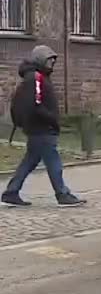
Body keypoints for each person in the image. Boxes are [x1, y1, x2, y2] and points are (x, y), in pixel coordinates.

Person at [2, 45, 84, 207]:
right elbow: (36, 104)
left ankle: (11, 192)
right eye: (49, 60)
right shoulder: (35, 77)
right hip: (42, 128)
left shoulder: (36, 77)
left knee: (29, 162)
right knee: (54, 162)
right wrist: (52, 119)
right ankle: (62, 194)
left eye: (53, 60)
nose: (52, 63)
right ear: (41, 59)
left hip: (38, 128)